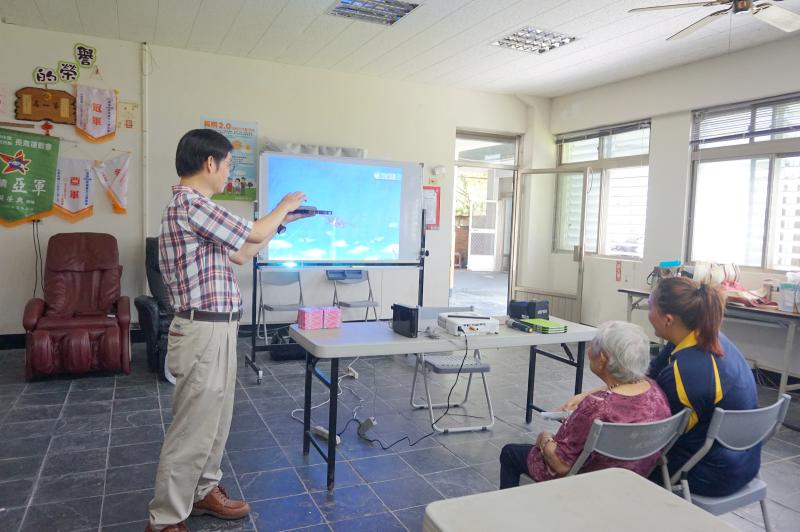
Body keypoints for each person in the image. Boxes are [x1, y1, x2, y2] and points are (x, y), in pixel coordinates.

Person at [146, 129, 314, 532]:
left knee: (216, 420)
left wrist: (280, 223)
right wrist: (281, 205)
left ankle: (204, 490)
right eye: (227, 166)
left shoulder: (197, 210)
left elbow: (243, 252)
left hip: (217, 330)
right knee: (193, 426)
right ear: (209, 163)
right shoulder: (191, 204)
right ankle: (165, 517)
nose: (228, 175)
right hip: (202, 330)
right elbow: (253, 233)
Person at [499, 321, 671, 489]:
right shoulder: (655, 391)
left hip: (589, 480)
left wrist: (544, 439)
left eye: (592, 345)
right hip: (632, 476)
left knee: (510, 452)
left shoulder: (597, 407)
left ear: (603, 358)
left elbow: (560, 464)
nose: (589, 350)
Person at [645, 277, 759, 497]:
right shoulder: (707, 336)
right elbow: (649, 375)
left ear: (668, 319)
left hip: (711, 474)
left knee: (616, 457)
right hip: (745, 462)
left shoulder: (686, 374)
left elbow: (658, 433)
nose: (648, 313)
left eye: (650, 308)